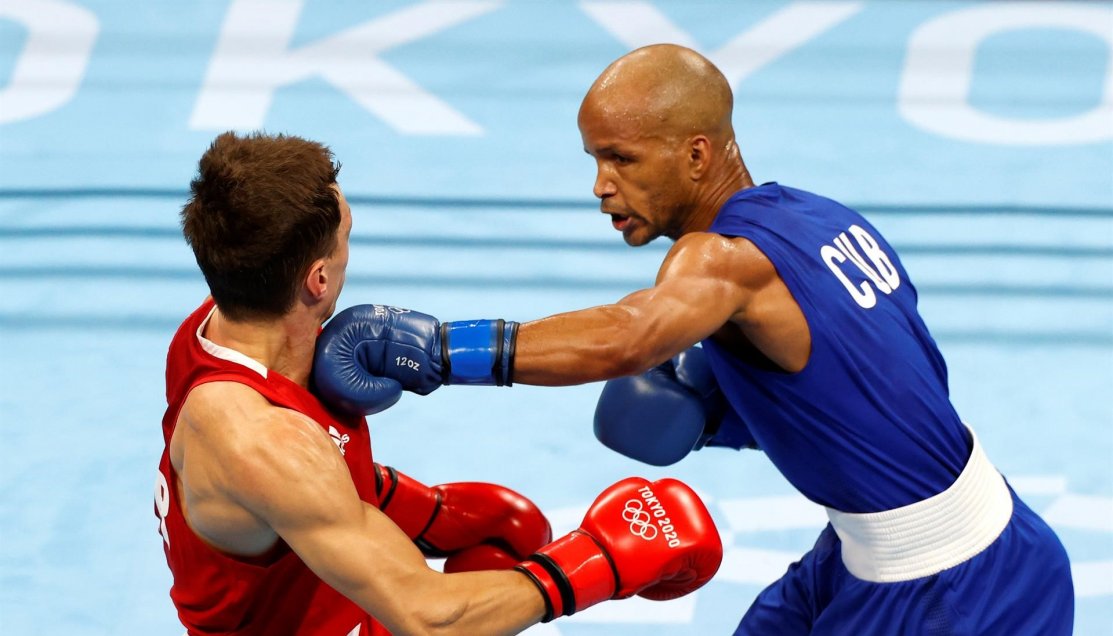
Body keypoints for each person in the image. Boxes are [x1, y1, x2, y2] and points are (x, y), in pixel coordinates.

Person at [312, 44, 1075, 634]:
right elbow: (886, 377)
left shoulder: (718, 259)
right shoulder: (821, 217)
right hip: (922, 546)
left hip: (946, 592)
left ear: (696, 154)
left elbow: (628, 336)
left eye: (622, 158)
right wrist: (724, 416)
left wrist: (437, 350)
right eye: (595, 160)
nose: (600, 185)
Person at [155, 131, 723, 635]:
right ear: (318, 278)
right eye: (345, 237)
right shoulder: (261, 441)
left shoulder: (219, 321)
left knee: (501, 531)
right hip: (344, 618)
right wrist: (593, 561)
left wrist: (424, 511)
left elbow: (281, 494)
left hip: (328, 595)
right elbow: (430, 618)